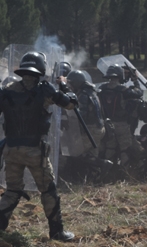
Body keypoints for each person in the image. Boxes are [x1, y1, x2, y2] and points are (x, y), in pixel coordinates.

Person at [0, 52, 76, 240]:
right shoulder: (44, 90)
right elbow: (71, 104)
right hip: (35, 151)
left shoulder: (7, 89)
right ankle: (57, 232)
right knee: (48, 190)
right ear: (40, 70)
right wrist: (64, 86)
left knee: (12, 190)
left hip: (11, 150)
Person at [98, 64, 147, 177]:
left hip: (107, 124)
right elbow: (139, 93)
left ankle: (107, 174)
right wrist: (135, 81)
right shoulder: (123, 90)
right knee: (124, 149)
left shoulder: (101, 88)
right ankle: (125, 173)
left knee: (110, 149)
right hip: (122, 124)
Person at [65, 70, 112, 177]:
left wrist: (68, 118)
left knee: (75, 152)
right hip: (99, 128)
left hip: (90, 130)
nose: (70, 86)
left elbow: (81, 114)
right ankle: (92, 179)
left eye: (71, 83)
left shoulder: (83, 95)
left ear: (76, 83)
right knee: (91, 155)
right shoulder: (92, 92)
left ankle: (103, 164)